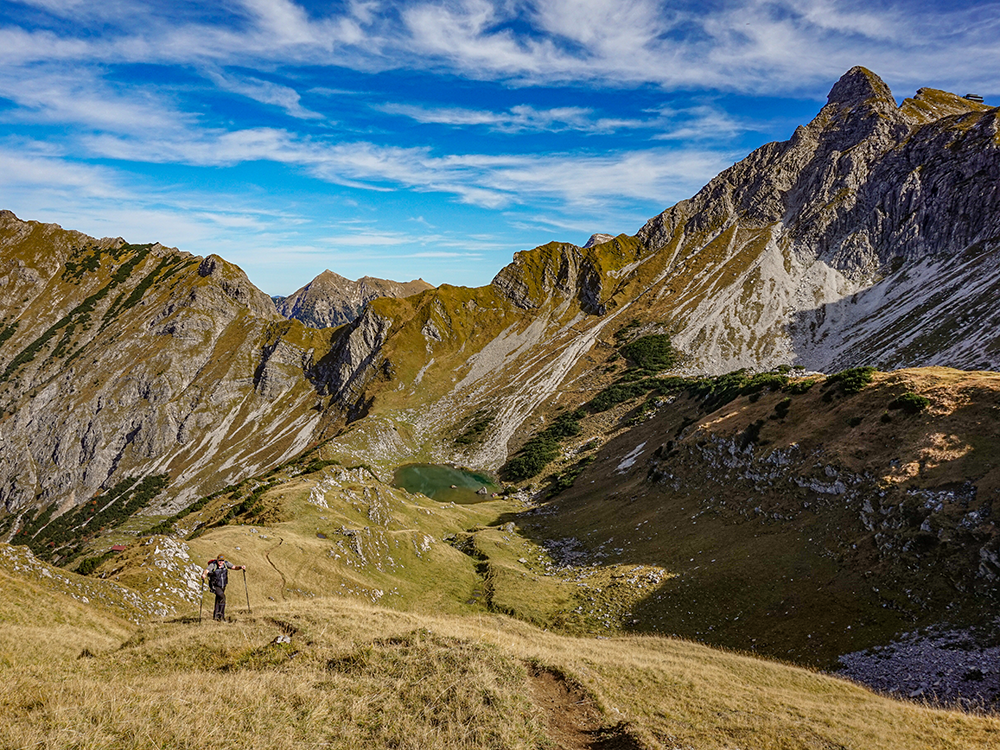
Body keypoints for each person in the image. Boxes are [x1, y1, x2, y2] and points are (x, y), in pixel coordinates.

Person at [202, 553, 246, 621]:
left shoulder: (226, 564)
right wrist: (204, 575)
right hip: (215, 585)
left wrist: (240, 567)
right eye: (219, 560)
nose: (221, 562)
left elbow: (234, 567)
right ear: (217, 559)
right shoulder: (213, 565)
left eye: (222, 560)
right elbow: (206, 570)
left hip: (223, 585)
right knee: (222, 597)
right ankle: (221, 616)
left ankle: (216, 617)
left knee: (219, 599)